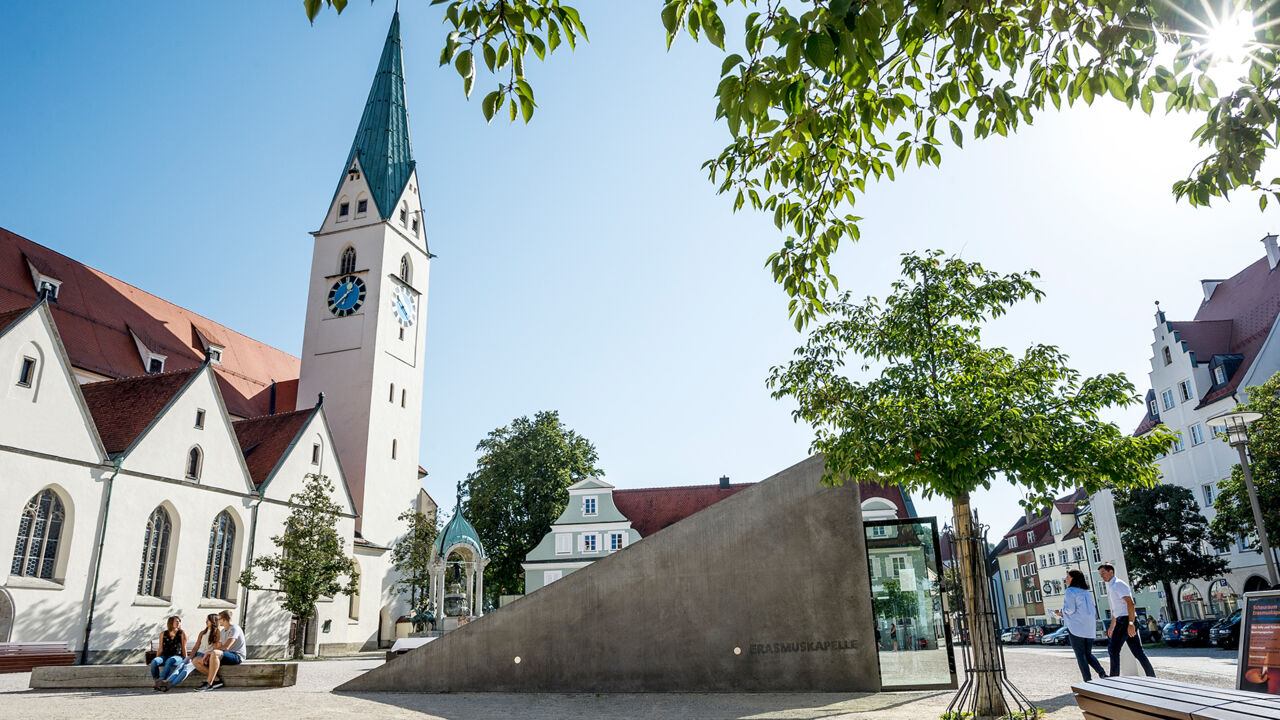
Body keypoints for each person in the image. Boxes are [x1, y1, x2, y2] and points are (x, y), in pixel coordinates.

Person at [1098, 563, 1155, 678]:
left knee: (1113, 649)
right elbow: (1116, 609)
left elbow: (1130, 603)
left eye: (1103, 573)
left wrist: (1131, 623)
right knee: (1138, 652)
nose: (1102, 576)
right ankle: (1152, 676)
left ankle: (1114, 677)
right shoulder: (1112, 586)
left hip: (1125, 621)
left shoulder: (1118, 584)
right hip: (1122, 619)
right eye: (1100, 574)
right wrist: (1112, 626)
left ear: (1111, 572)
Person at [1054, 570, 1107, 682]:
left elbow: (1070, 609)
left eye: (1068, 577)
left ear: (1074, 579)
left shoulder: (1070, 591)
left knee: (1080, 655)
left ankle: (1087, 680)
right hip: (1089, 627)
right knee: (1088, 654)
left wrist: (1060, 612)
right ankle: (1102, 673)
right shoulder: (1086, 592)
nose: (1066, 579)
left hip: (1076, 627)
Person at [197, 610, 246, 691]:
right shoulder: (223, 631)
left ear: (224, 620)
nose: (218, 621)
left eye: (219, 619)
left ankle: (208, 684)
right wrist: (209, 654)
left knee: (215, 653)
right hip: (225, 655)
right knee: (196, 660)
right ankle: (217, 681)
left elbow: (226, 647)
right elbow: (218, 647)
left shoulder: (234, 628)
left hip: (237, 656)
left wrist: (210, 652)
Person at [174, 614, 220, 691]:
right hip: (196, 654)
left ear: (213, 621)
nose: (206, 621)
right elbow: (196, 646)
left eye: (208, 620)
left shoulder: (217, 632)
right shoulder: (202, 633)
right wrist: (190, 657)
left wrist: (208, 656)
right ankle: (168, 680)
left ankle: (170, 684)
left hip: (205, 656)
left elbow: (215, 648)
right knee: (181, 665)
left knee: (186, 668)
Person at [150, 616, 188, 691]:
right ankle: (157, 681)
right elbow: (160, 648)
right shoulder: (163, 634)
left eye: (179, 621)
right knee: (154, 662)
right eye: (176, 621)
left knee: (170, 660)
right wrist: (157, 658)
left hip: (177, 657)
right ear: (171, 623)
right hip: (164, 656)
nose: (178, 623)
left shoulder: (181, 633)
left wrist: (186, 659)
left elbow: (184, 647)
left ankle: (161, 681)